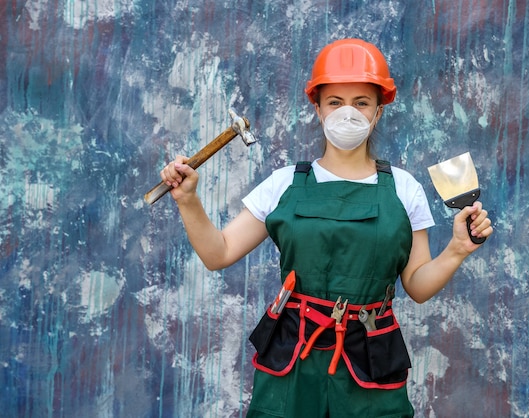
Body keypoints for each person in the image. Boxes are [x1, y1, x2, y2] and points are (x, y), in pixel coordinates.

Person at [160, 38, 492, 418]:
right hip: (292, 357)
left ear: (378, 112)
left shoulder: (405, 188)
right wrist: (188, 200)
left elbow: (416, 286)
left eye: (361, 103)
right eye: (335, 102)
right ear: (317, 109)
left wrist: (456, 249)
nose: (346, 113)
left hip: (371, 360)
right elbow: (217, 253)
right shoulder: (283, 183)